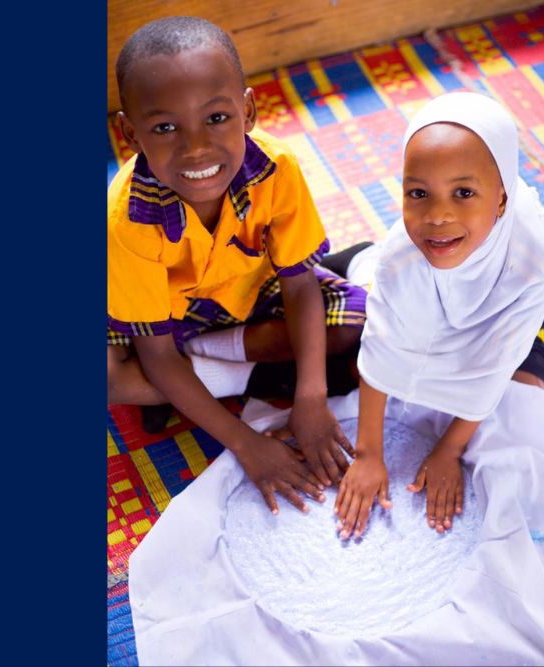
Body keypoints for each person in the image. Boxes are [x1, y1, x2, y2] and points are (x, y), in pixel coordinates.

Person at [106, 16, 369, 514]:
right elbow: (157, 355)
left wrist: (311, 399)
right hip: (162, 322)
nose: (196, 148)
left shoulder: (277, 169)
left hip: (251, 295)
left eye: (217, 118)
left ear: (247, 111)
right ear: (130, 133)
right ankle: (242, 376)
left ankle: (212, 371)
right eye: (164, 127)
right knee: (111, 380)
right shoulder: (125, 221)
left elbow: (297, 288)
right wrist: (247, 443)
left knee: (353, 317)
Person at [333, 92, 544, 538]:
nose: (438, 214)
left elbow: (493, 370)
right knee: (346, 340)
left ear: (502, 200)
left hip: (526, 324)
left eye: (463, 193)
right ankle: (358, 259)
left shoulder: (536, 261)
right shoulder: (404, 255)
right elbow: (381, 350)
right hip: (411, 282)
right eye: (419, 193)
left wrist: (450, 450)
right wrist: (368, 453)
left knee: (525, 392)